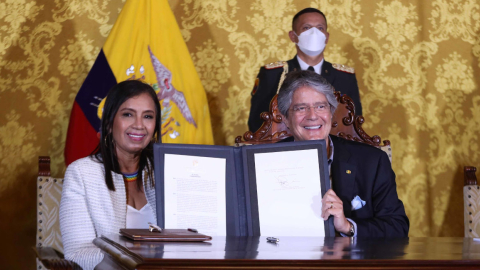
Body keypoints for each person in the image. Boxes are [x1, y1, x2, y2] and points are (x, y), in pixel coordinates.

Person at [277, 70, 409, 237]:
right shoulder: (265, 163)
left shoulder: (372, 162)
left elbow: (397, 227)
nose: (312, 116)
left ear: (331, 113)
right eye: (301, 108)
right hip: (287, 259)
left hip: (350, 261)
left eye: (320, 106)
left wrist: (348, 226)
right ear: (285, 118)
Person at [60, 80, 161, 269]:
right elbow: (78, 253)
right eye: (128, 114)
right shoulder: (81, 173)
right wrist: (140, 257)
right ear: (108, 123)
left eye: (148, 116)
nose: (139, 125)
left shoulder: (167, 173)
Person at [248, 7, 362, 132]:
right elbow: (257, 122)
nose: (314, 33)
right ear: (293, 36)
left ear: (327, 37)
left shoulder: (344, 76)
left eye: (320, 28)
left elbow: (354, 124)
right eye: (306, 28)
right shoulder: (274, 74)